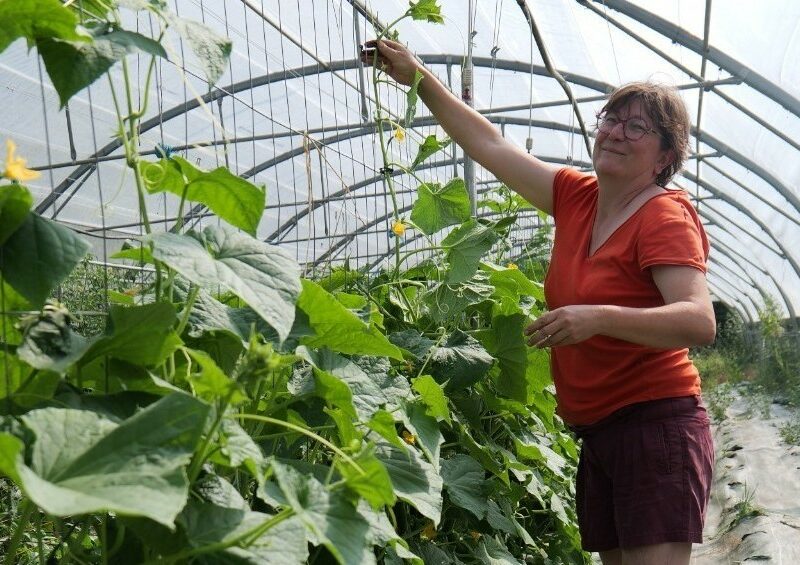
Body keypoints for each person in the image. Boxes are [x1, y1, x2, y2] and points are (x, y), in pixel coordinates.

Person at [362, 39, 715, 565]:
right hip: (601, 432)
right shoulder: (578, 197)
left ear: (666, 155)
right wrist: (418, 77)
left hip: (653, 427)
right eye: (611, 120)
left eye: (637, 127)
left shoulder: (662, 216)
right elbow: (490, 145)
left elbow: (698, 321)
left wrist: (598, 318)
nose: (616, 132)